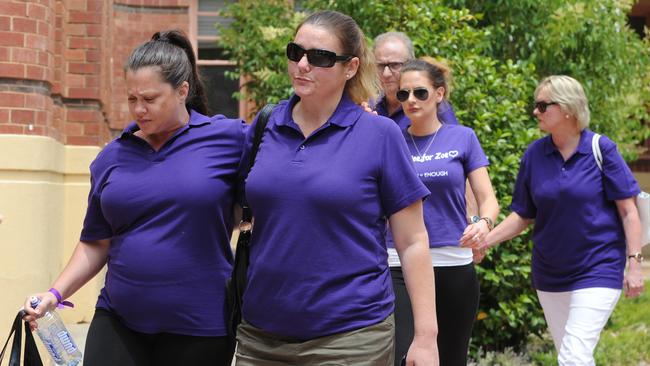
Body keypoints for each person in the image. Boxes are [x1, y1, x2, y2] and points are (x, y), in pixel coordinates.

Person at [22, 30, 245, 366]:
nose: (139, 109)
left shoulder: (229, 138)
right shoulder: (111, 157)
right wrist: (55, 294)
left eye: (150, 99)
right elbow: (96, 241)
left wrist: (354, 114)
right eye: (131, 99)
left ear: (183, 91)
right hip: (120, 320)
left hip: (202, 327)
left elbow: (294, 146)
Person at [234, 10, 438, 366]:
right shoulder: (266, 125)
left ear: (351, 66)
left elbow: (413, 240)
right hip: (259, 335)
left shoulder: (379, 135)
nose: (302, 64)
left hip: (351, 336)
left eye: (320, 57)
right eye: (295, 52)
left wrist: (426, 337)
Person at [477, 75, 645, 365]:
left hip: (598, 268)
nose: (535, 112)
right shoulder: (534, 155)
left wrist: (634, 264)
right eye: (536, 105)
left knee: (573, 356)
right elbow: (523, 215)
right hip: (550, 273)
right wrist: (484, 241)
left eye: (543, 106)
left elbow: (629, 212)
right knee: (571, 354)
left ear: (568, 108)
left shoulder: (601, 149)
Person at [388, 58, 499, 366]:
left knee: (451, 357)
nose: (410, 100)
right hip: (397, 262)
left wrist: (483, 224)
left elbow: (487, 197)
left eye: (419, 93)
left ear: (439, 94)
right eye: (403, 94)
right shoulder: (390, 138)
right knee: (402, 356)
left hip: (452, 260)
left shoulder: (463, 137)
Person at [372, 32, 459, 128]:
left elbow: (454, 139)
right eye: (380, 66)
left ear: (410, 65)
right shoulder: (370, 106)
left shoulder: (432, 106)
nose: (386, 74)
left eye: (395, 65)